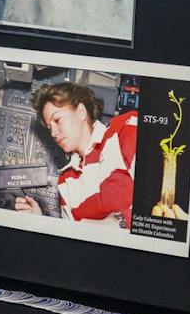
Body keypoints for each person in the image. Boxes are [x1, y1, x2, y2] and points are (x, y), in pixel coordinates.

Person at [14, 82, 137, 227]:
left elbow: (164, 203)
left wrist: (118, 222)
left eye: (57, 120)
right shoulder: (66, 181)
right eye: (49, 127)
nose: (53, 133)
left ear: (81, 112)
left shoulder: (125, 129)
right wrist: (39, 220)